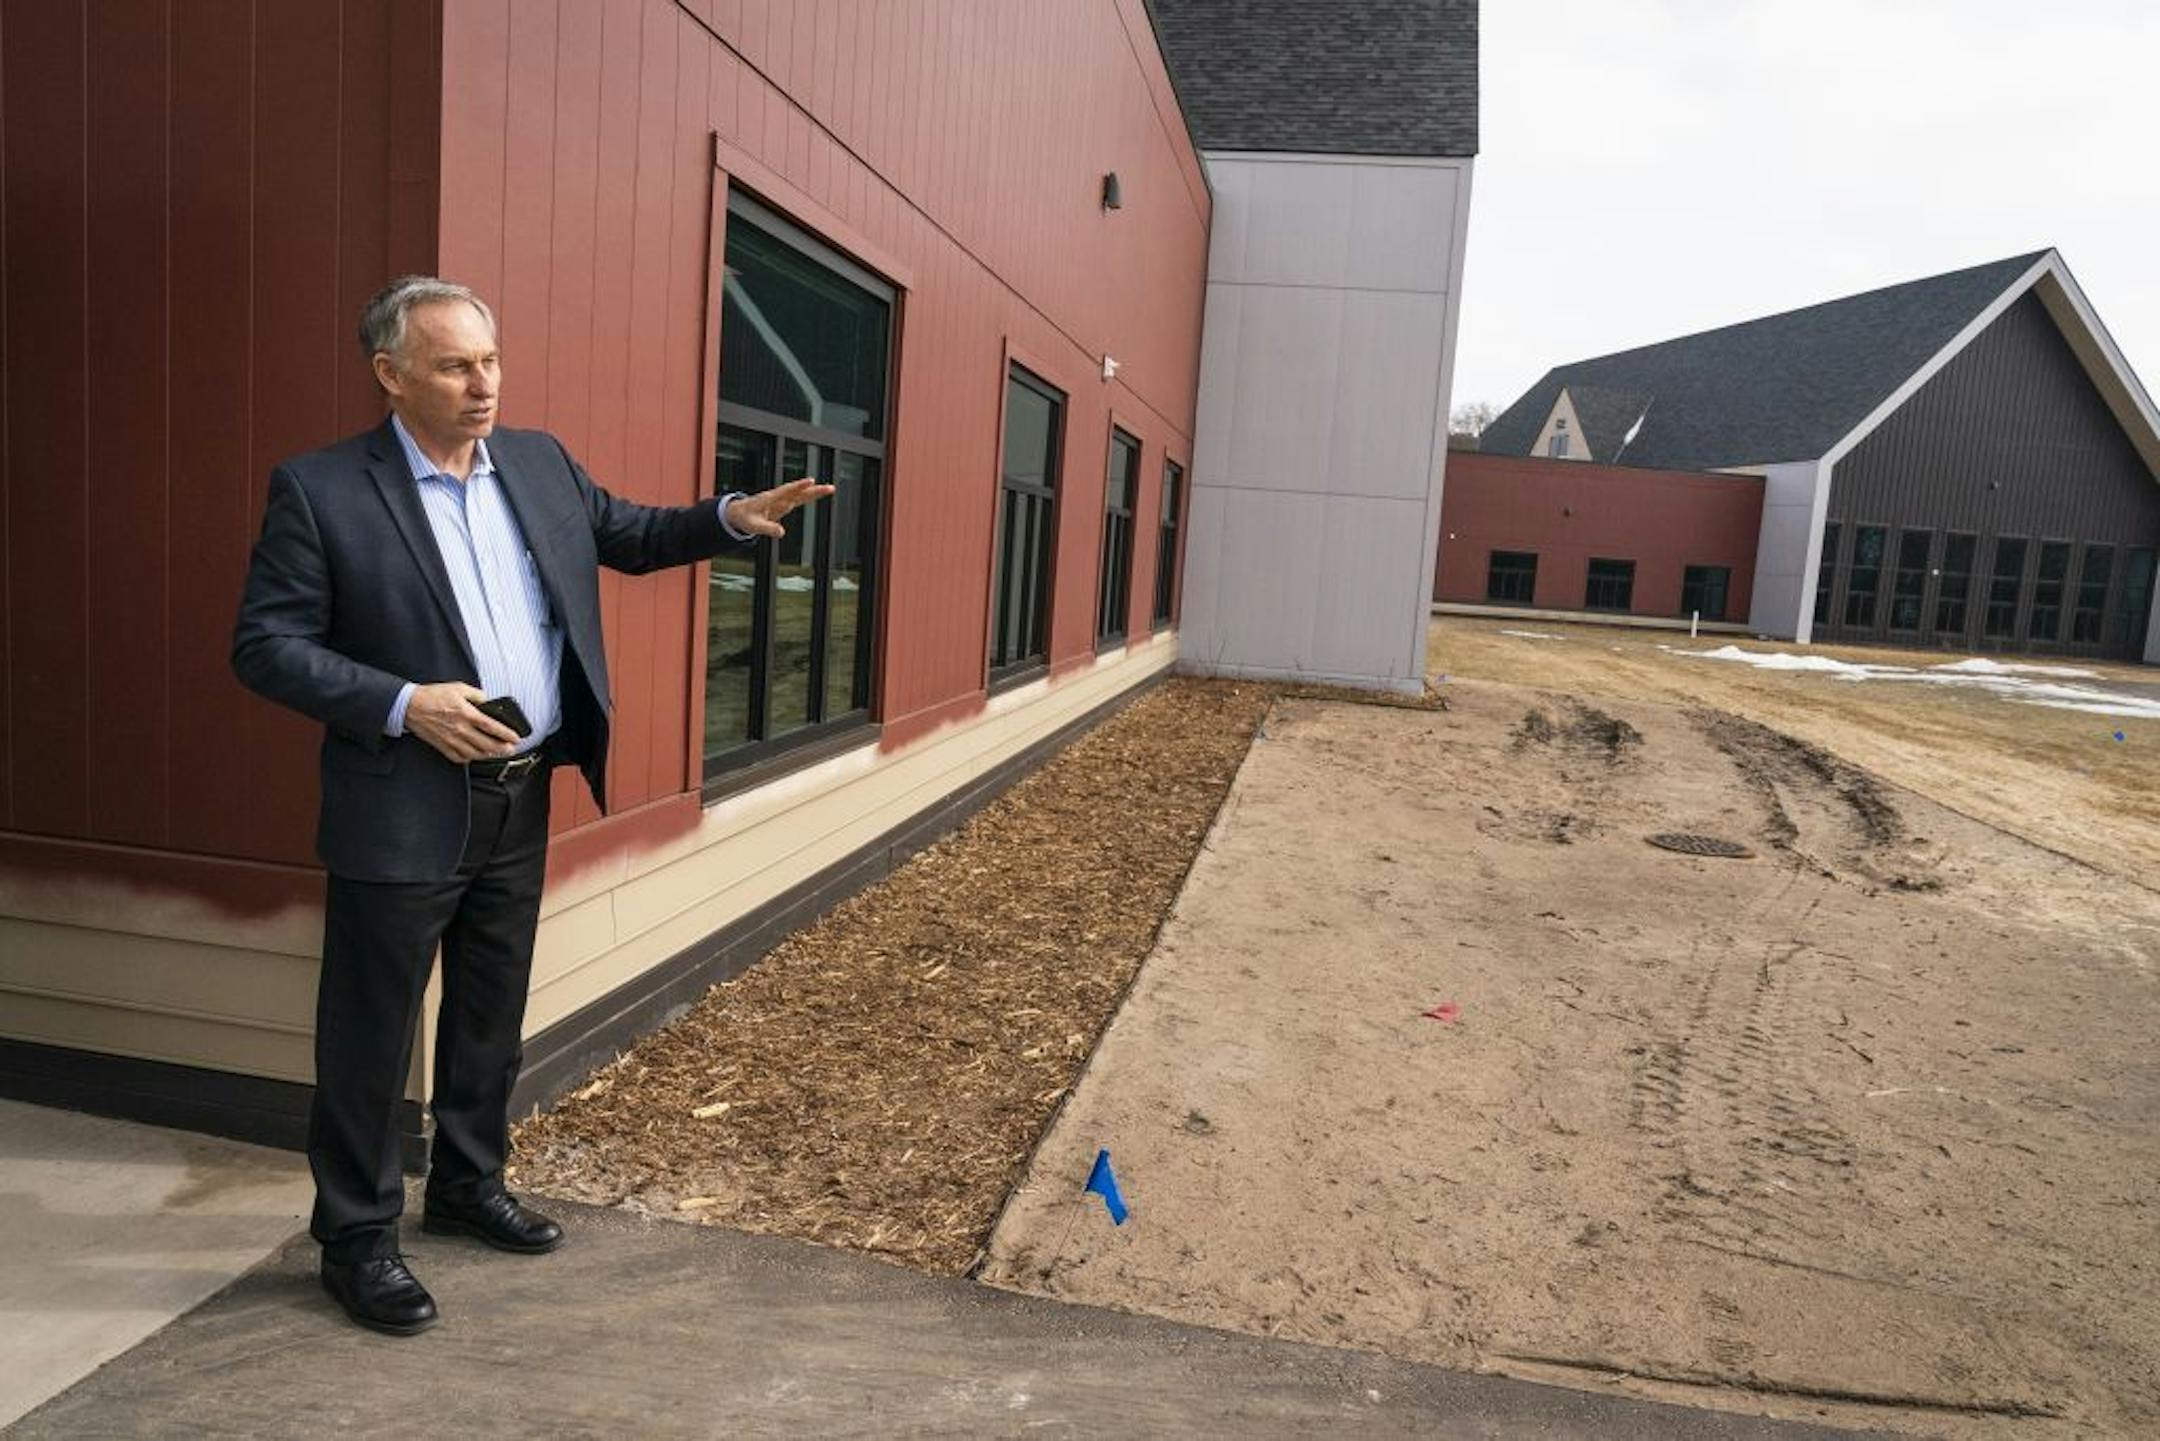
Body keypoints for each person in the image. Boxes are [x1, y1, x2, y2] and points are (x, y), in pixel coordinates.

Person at [232, 276, 830, 1335]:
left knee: (488, 1014)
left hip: (520, 790)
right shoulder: (323, 490)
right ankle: (358, 1238)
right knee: (370, 1034)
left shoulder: (540, 464)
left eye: (492, 360)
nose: (484, 384)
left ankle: (465, 1185)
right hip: (400, 804)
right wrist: (404, 702)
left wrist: (733, 516)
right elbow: (267, 647)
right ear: (391, 375)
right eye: (457, 365)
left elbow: (631, 532)